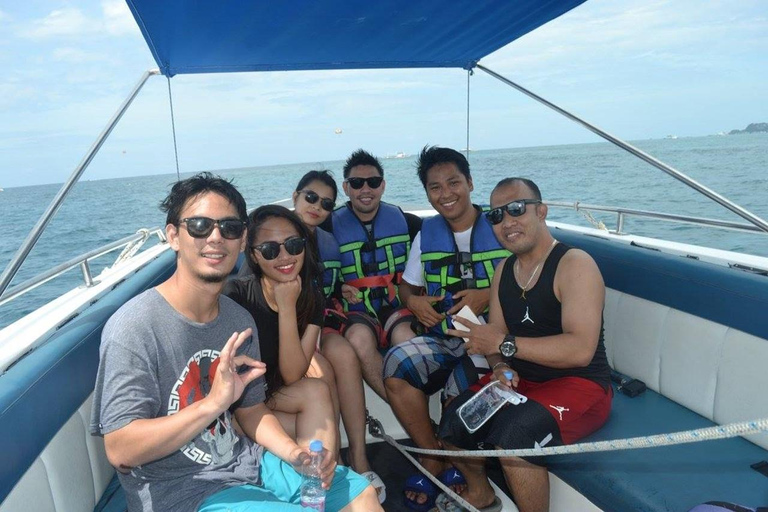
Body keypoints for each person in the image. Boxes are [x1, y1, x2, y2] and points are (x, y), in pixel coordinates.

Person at [90, 172, 380, 512]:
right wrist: (213, 404)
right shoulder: (135, 326)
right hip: (186, 490)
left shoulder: (237, 320)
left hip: (249, 464)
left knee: (361, 496)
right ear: (173, 236)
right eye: (199, 225)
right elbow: (120, 449)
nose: (216, 238)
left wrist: (295, 455)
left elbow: (251, 409)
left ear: (242, 240)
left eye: (229, 228)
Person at [437, 177, 612, 512]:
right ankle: (481, 492)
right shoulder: (504, 270)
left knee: (515, 438)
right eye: (496, 216)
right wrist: (500, 364)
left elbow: (580, 349)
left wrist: (503, 345)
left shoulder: (575, 265)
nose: (507, 221)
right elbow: (496, 337)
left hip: (581, 385)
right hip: (520, 381)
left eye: (516, 209)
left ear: (541, 211)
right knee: (453, 420)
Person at [381, 146, 509, 511]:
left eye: (454, 182)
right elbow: (407, 286)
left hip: (493, 344)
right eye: (435, 187)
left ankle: (474, 481)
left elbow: (529, 279)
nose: (446, 193)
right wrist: (413, 302)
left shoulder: (501, 229)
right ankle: (434, 454)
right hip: (446, 337)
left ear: (470, 182)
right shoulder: (428, 234)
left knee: (458, 391)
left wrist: (487, 294)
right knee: (396, 367)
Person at [290, 170, 386, 501]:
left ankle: (359, 456)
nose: (317, 206)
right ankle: (337, 461)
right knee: (322, 370)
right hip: (287, 331)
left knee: (345, 355)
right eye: (311, 198)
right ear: (296, 197)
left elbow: (329, 288)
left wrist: (343, 289)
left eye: (326, 203)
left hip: (320, 323)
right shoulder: (276, 235)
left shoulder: (328, 242)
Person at [224, 205, 341, 459]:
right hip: (235, 410)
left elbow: (292, 375)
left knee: (317, 390)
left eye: (293, 245)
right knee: (317, 432)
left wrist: (287, 307)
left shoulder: (311, 298)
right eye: (270, 250)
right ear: (254, 256)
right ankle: (328, 478)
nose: (285, 256)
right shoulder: (235, 297)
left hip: (273, 396)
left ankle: (321, 482)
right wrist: (286, 305)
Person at [324, 149, 422, 400]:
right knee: (358, 339)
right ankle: (402, 405)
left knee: (406, 338)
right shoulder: (327, 227)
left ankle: (413, 406)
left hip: (397, 306)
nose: (365, 189)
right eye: (357, 183)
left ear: (383, 185)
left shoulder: (409, 223)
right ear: (346, 187)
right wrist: (338, 290)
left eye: (373, 182)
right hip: (355, 310)